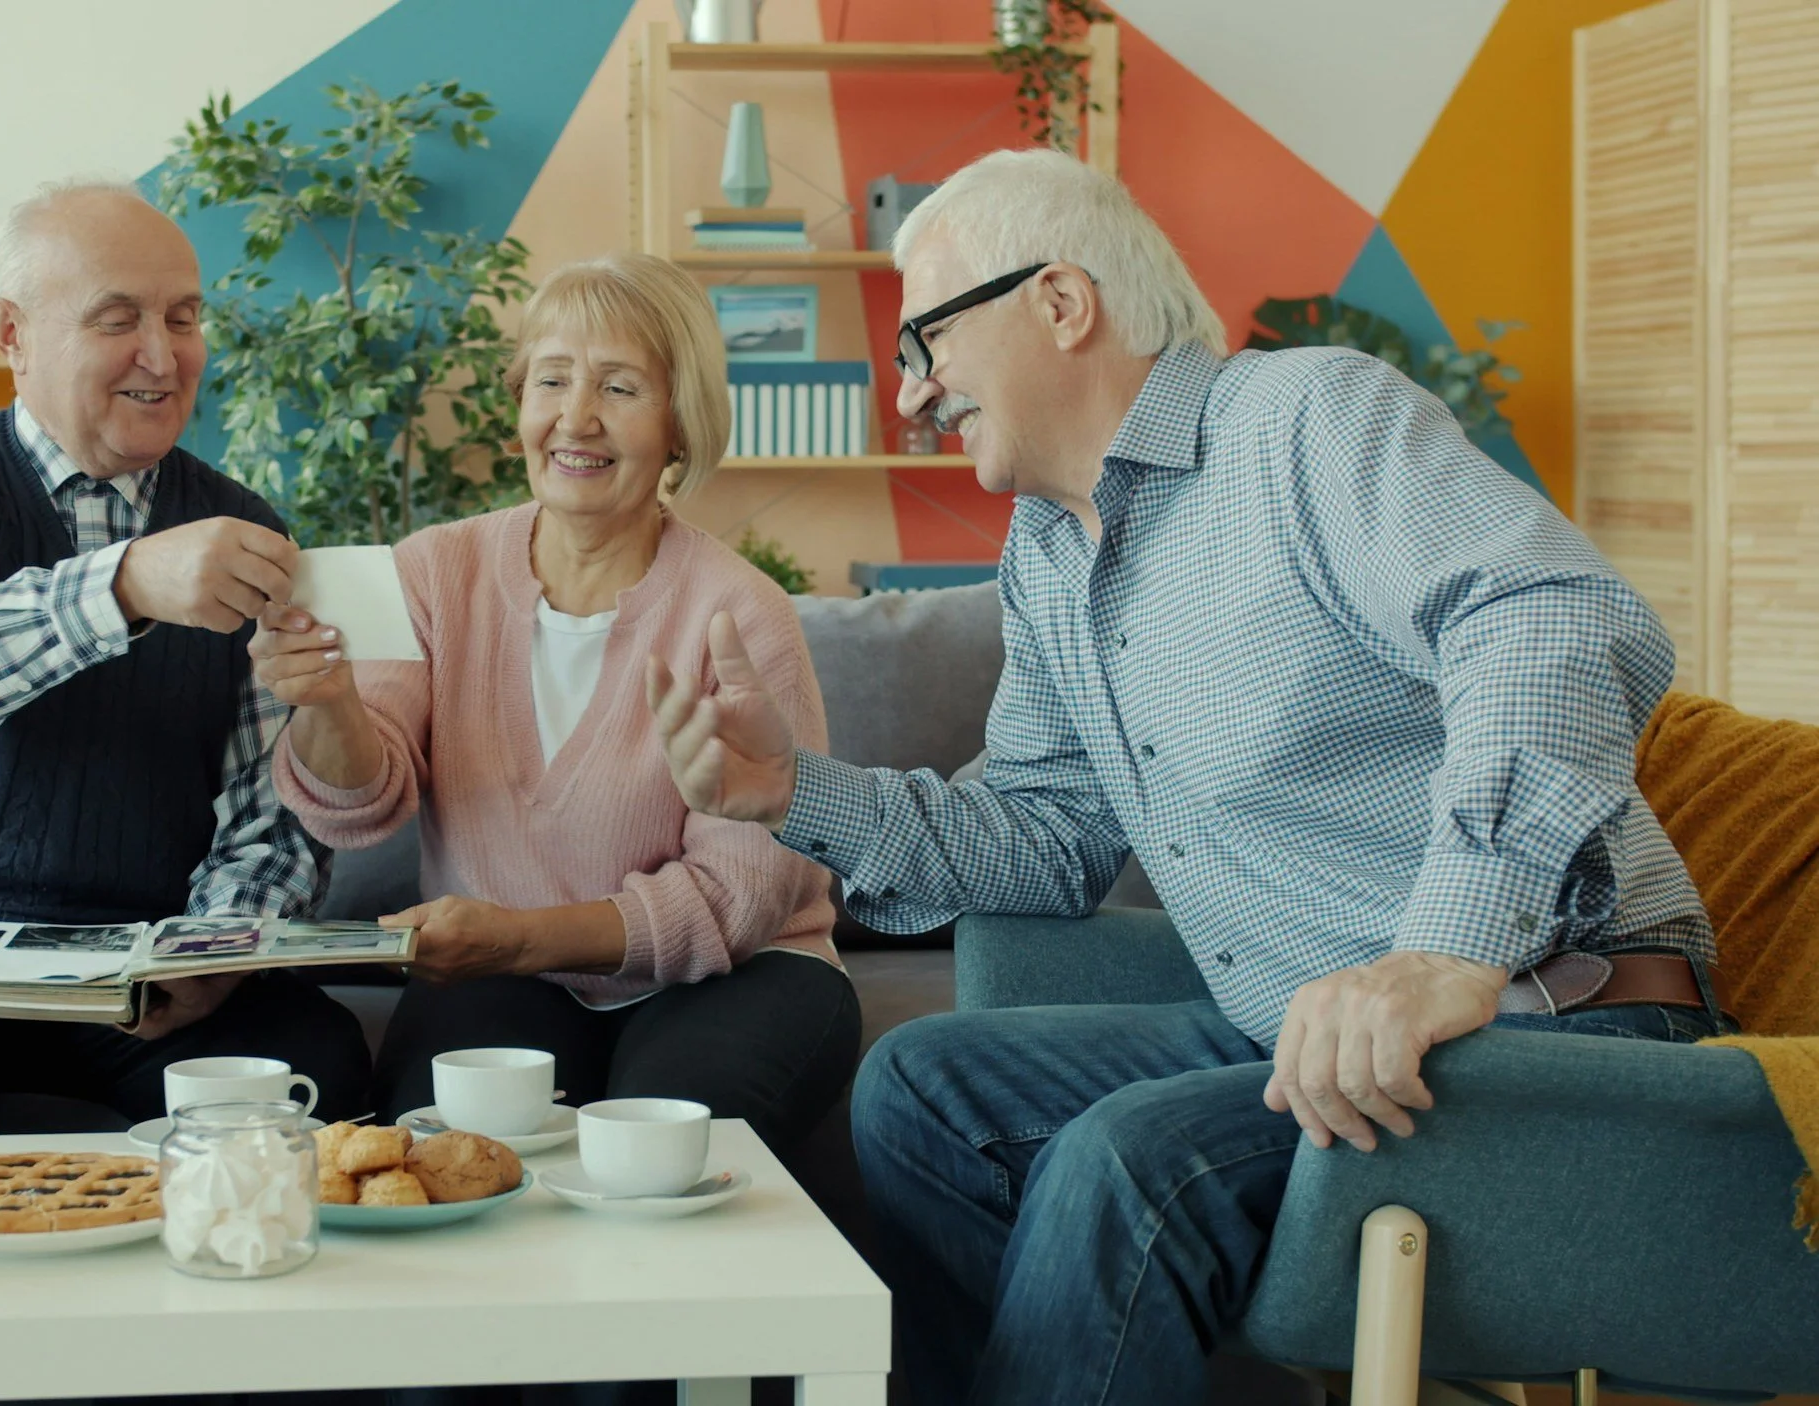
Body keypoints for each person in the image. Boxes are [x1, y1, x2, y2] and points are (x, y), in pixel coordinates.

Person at [647, 149, 1722, 1405]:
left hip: (1555, 1016)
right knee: (921, 1085)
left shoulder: (1305, 422)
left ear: (1060, 301)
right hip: (1300, 1027)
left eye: (927, 340)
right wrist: (789, 791)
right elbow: (1044, 835)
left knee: (1125, 1159)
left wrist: (1443, 949)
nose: (915, 394)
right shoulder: (1049, 552)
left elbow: (1554, 618)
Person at [0, 180, 371, 1137]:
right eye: (117, 319)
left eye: (183, 317)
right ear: (12, 335)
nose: (162, 354)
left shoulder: (248, 531)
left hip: (136, 959)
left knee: (316, 1062)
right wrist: (126, 584)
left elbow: (274, 811)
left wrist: (210, 957)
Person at [251, 252, 860, 1159]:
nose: (577, 418)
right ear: (521, 406)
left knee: (659, 1149)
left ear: (679, 428)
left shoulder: (739, 611)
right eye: (551, 380)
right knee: (447, 1151)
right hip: (500, 976)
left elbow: (745, 894)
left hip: (737, 974)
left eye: (619, 387)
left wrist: (521, 939)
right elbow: (358, 802)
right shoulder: (433, 570)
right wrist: (328, 703)